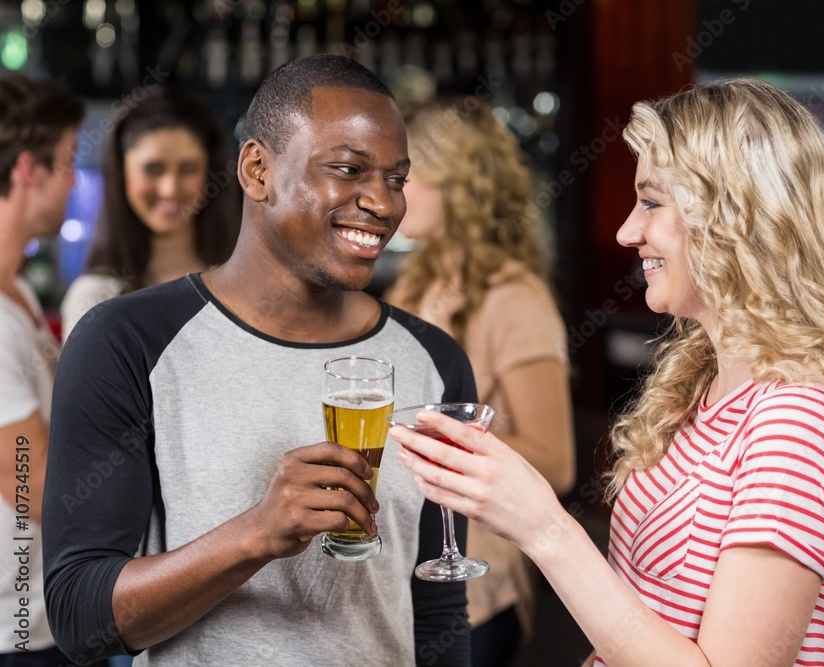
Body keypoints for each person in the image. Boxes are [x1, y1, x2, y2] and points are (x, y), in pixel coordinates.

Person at [390, 77, 824, 666]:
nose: (627, 231)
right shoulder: (703, 387)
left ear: (737, 217)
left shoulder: (799, 421)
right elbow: (641, 627)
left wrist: (545, 529)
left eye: (651, 202)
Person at [42, 55, 475, 666]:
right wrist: (257, 534)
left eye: (397, 179)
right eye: (349, 170)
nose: (382, 203)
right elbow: (79, 617)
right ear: (256, 170)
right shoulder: (125, 341)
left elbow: (437, 607)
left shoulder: (435, 361)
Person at [384, 97, 575, 666]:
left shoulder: (514, 296)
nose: (389, 193)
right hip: (406, 574)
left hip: (476, 584)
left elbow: (559, 463)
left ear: (456, 180)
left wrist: (443, 435)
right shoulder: (413, 284)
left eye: (404, 175)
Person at [0, 74, 96, 666]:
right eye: (66, 162)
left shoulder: (19, 293)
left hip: (41, 621)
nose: (74, 180)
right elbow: (31, 484)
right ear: (28, 170)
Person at [60, 85, 240, 342]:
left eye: (188, 168)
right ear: (122, 174)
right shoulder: (94, 298)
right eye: (153, 169)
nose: (169, 189)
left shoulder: (244, 287)